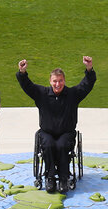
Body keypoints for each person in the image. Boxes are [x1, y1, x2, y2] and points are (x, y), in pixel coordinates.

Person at [17, 56, 96, 195]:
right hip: (47, 132)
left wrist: (89, 68)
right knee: (48, 145)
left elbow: (86, 85)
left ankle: (64, 178)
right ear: (50, 81)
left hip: (66, 133)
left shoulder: (72, 94)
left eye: (60, 81)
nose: (57, 84)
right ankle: (50, 177)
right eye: (55, 81)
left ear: (64, 81)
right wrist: (22, 73)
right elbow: (27, 86)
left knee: (61, 145)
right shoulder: (42, 93)